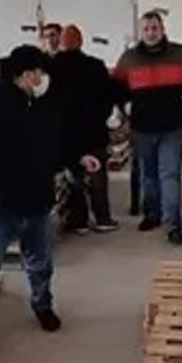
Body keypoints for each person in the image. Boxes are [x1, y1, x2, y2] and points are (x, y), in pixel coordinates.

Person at [0, 45, 103, 363]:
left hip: (38, 203)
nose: (44, 79)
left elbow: (57, 143)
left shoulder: (47, 104)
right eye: (40, 73)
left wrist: (78, 157)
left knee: (41, 264)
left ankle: (42, 306)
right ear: (26, 74)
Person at [113, 12, 182, 245]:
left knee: (170, 175)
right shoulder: (129, 59)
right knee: (149, 175)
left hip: (172, 126)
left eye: (155, 27)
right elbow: (117, 86)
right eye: (146, 29)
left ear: (162, 29)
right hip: (142, 127)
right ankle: (153, 214)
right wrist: (125, 106)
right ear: (141, 32)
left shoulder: (181, 54)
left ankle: (173, 225)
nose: (151, 32)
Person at [50, 24, 117, 234]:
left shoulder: (51, 67)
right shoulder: (96, 66)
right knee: (96, 175)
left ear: (61, 42)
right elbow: (108, 98)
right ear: (81, 42)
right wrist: (100, 118)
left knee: (73, 177)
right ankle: (103, 218)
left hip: (65, 133)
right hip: (93, 131)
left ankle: (78, 221)